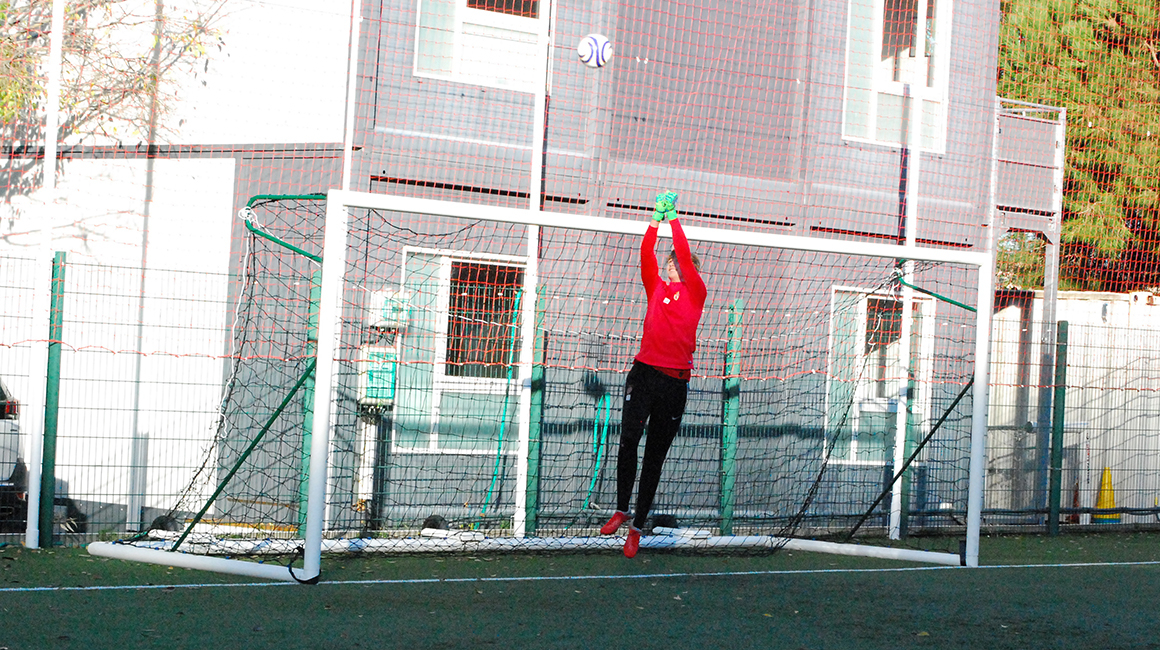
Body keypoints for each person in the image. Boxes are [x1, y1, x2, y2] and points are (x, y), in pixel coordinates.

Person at [600, 191, 707, 558]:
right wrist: (654, 221)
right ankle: (621, 509)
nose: (671, 265)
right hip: (644, 373)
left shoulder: (696, 293)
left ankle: (636, 528)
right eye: (669, 261)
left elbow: (685, 256)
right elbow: (646, 254)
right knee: (629, 439)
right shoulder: (656, 288)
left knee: (654, 458)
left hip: (674, 382)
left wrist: (674, 219)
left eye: (676, 262)